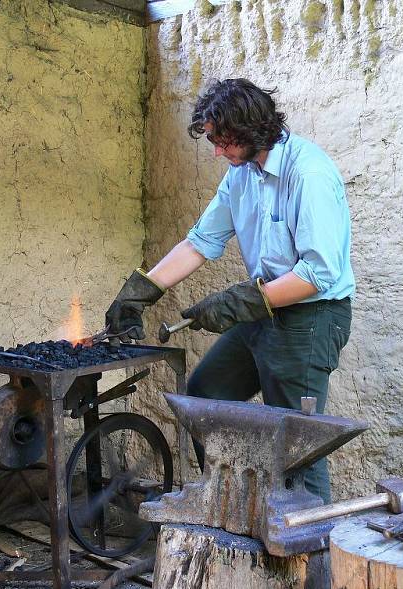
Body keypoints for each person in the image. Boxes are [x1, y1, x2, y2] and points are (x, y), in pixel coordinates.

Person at [104, 78, 354, 503]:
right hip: (265, 311)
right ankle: (233, 507)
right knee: (206, 395)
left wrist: (243, 301)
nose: (217, 151)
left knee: (300, 441)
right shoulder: (242, 175)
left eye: (222, 141)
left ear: (249, 129)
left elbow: (318, 274)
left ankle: (313, 556)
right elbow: (201, 241)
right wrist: (141, 292)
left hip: (312, 317)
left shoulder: (307, 174)